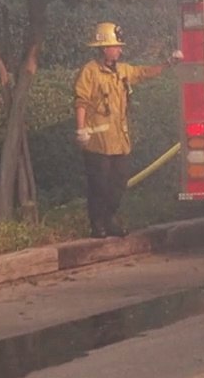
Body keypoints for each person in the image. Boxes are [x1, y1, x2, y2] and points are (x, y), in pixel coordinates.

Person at [74, 22, 175, 238]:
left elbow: (144, 72)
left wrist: (168, 63)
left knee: (119, 183)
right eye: (116, 46)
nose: (120, 49)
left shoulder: (122, 71)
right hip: (97, 143)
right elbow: (81, 101)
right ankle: (98, 224)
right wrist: (80, 129)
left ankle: (110, 219)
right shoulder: (90, 72)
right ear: (104, 48)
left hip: (119, 142)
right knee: (99, 185)